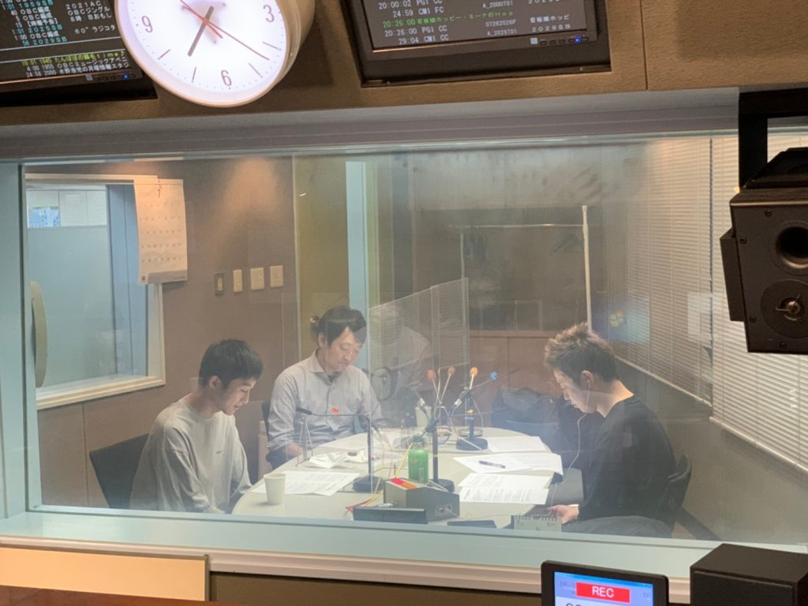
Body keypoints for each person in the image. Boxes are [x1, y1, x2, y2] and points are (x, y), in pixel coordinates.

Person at [544, 324, 676, 526]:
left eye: (565, 387)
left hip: (621, 534)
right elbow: (609, 502)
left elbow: (600, 516)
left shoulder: (617, 433)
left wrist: (580, 515)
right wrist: (579, 511)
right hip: (635, 526)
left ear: (587, 379)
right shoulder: (636, 413)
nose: (567, 397)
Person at [130, 339, 263, 514]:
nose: (246, 400)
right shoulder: (173, 428)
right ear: (215, 383)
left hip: (215, 522)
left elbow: (241, 488)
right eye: (243, 390)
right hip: (171, 526)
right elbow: (190, 509)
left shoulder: (226, 418)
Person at [267, 306, 385, 469]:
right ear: (322, 340)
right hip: (306, 465)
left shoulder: (358, 378)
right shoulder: (290, 380)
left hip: (351, 464)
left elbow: (377, 427)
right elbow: (281, 442)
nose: (349, 357)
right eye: (344, 348)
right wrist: (318, 460)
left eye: (356, 351)